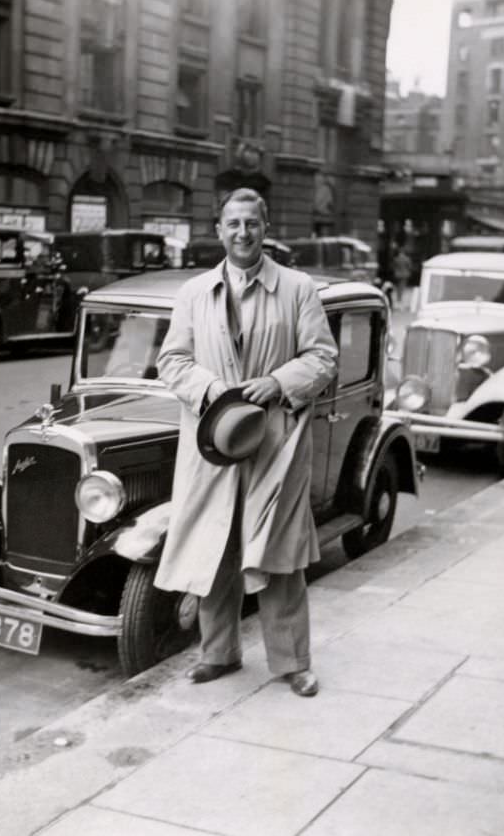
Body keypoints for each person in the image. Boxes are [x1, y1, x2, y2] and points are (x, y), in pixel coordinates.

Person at [155, 188, 338, 696]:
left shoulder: (298, 289)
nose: (242, 233)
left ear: (266, 227)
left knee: (279, 552)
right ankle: (219, 654)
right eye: (232, 224)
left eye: (251, 224)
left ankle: (292, 662)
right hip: (211, 440)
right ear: (219, 230)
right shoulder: (194, 292)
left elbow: (322, 358)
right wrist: (210, 389)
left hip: (274, 441)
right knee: (214, 546)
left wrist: (278, 382)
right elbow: (171, 361)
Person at [392, 246, 412, 310]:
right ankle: (400, 298)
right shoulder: (407, 259)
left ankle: (398, 298)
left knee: (398, 286)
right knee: (402, 286)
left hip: (397, 274)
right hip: (405, 274)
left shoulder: (396, 259)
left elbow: (393, 267)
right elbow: (409, 266)